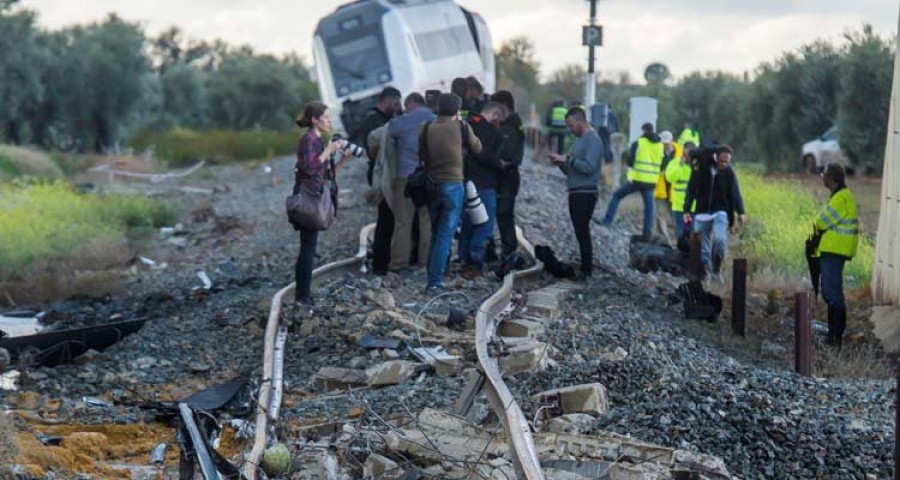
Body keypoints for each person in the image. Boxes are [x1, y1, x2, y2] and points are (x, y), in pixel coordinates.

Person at [292, 101, 355, 306]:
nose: (329, 121)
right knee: (308, 248)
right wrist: (329, 149)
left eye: (329, 117)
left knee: (309, 246)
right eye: (326, 117)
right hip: (309, 199)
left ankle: (304, 294)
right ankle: (302, 296)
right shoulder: (308, 140)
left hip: (316, 196)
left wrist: (343, 160)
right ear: (314, 120)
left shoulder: (316, 141)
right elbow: (310, 169)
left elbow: (324, 173)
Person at [422, 93, 482, 291]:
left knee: (435, 231)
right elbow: (477, 148)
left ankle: (432, 275)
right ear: (457, 110)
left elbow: (420, 153)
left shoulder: (426, 127)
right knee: (445, 234)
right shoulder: (462, 127)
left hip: (430, 185)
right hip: (453, 185)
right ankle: (434, 282)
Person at [350, 87, 402, 275]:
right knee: (386, 219)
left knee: (394, 219)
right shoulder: (373, 121)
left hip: (390, 174)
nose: (398, 107)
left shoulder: (390, 118)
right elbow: (372, 149)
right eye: (395, 103)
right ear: (386, 101)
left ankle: (390, 260)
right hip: (382, 176)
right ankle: (381, 265)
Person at [549, 108, 603, 278]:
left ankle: (587, 270)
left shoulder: (592, 140)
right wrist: (561, 163)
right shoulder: (579, 140)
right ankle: (585, 268)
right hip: (576, 191)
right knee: (580, 231)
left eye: (571, 125)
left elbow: (589, 167)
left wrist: (568, 159)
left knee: (582, 231)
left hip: (585, 193)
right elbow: (572, 169)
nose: (569, 129)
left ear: (580, 122)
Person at [683, 144, 746, 281]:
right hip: (701, 212)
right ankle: (706, 271)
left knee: (720, 240)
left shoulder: (729, 173)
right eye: (722, 161)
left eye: (727, 162)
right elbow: (691, 189)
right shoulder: (701, 168)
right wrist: (686, 209)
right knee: (702, 248)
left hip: (720, 212)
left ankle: (717, 269)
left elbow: (735, 193)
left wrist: (740, 212)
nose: (724, 164)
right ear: (716, 158)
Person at [388, 92, 436, 271]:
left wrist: (399, 116)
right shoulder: (435, 118)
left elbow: (390, 130)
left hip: (406, 177)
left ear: (412, 104)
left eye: (406, 107)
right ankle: (425, 261)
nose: (406, 110)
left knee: (402, 221)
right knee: (427, 220)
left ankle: (400, 262)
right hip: (428, 177)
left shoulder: (404, 120)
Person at [459, 102, 507, 277]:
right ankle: (474, 260)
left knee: (469, 221)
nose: (499, 124)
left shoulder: (470, 123)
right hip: (483, 183)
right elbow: (483, 153)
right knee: (484, 223)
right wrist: (499, 164)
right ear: (494, 114)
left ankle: (464, 258)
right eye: (499, 120)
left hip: (468, 180)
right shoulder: (483, 128)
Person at [813, 163, 859, 347]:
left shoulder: (840, 198)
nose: (822, 177)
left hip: (835, 251)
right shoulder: (840, 196)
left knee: (832, 294)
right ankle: (833, 335)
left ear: (832, 178)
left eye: (823, 174)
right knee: (830, 293)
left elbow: (821, 222)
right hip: (834, 250)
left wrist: (817, 223)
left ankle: (835, 338)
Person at [601, 122, 663, 238]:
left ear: (644, 131)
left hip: (637, 179)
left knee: (617, 195)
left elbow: (630, 161)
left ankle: (607, 221)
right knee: (649, 207)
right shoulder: (660, 145)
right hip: (651, 181)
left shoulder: (638, 143)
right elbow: (663, 163)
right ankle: (647, 232)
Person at [491, 90, 525, 260]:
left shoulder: (510, 127)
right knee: (503, 214)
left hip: (507, 176)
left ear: (505, 106)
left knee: (504, 214)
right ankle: (506, 250)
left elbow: (507, 154)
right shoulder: (511, 124)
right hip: (506, 176)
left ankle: (509, 251)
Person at [652, 131, 682, 245]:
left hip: (674, 191)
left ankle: (678, 239)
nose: (664, 145)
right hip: (660, 188)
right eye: (663, 142)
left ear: (671, 140)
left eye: (666, 142)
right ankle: (664, 240)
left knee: (675, 216)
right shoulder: (657, 151)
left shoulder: (680, 152)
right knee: (660, 214)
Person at [665, 141, 695, 243]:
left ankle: (692, 256)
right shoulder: (675, 163)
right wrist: (680, 165)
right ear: (683, 151)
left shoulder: (698, 164)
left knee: (693, 232)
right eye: (687, 152)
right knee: (681, 233)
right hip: (679, 206)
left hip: (694, 206)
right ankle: (681, 255)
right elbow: (671, 178)